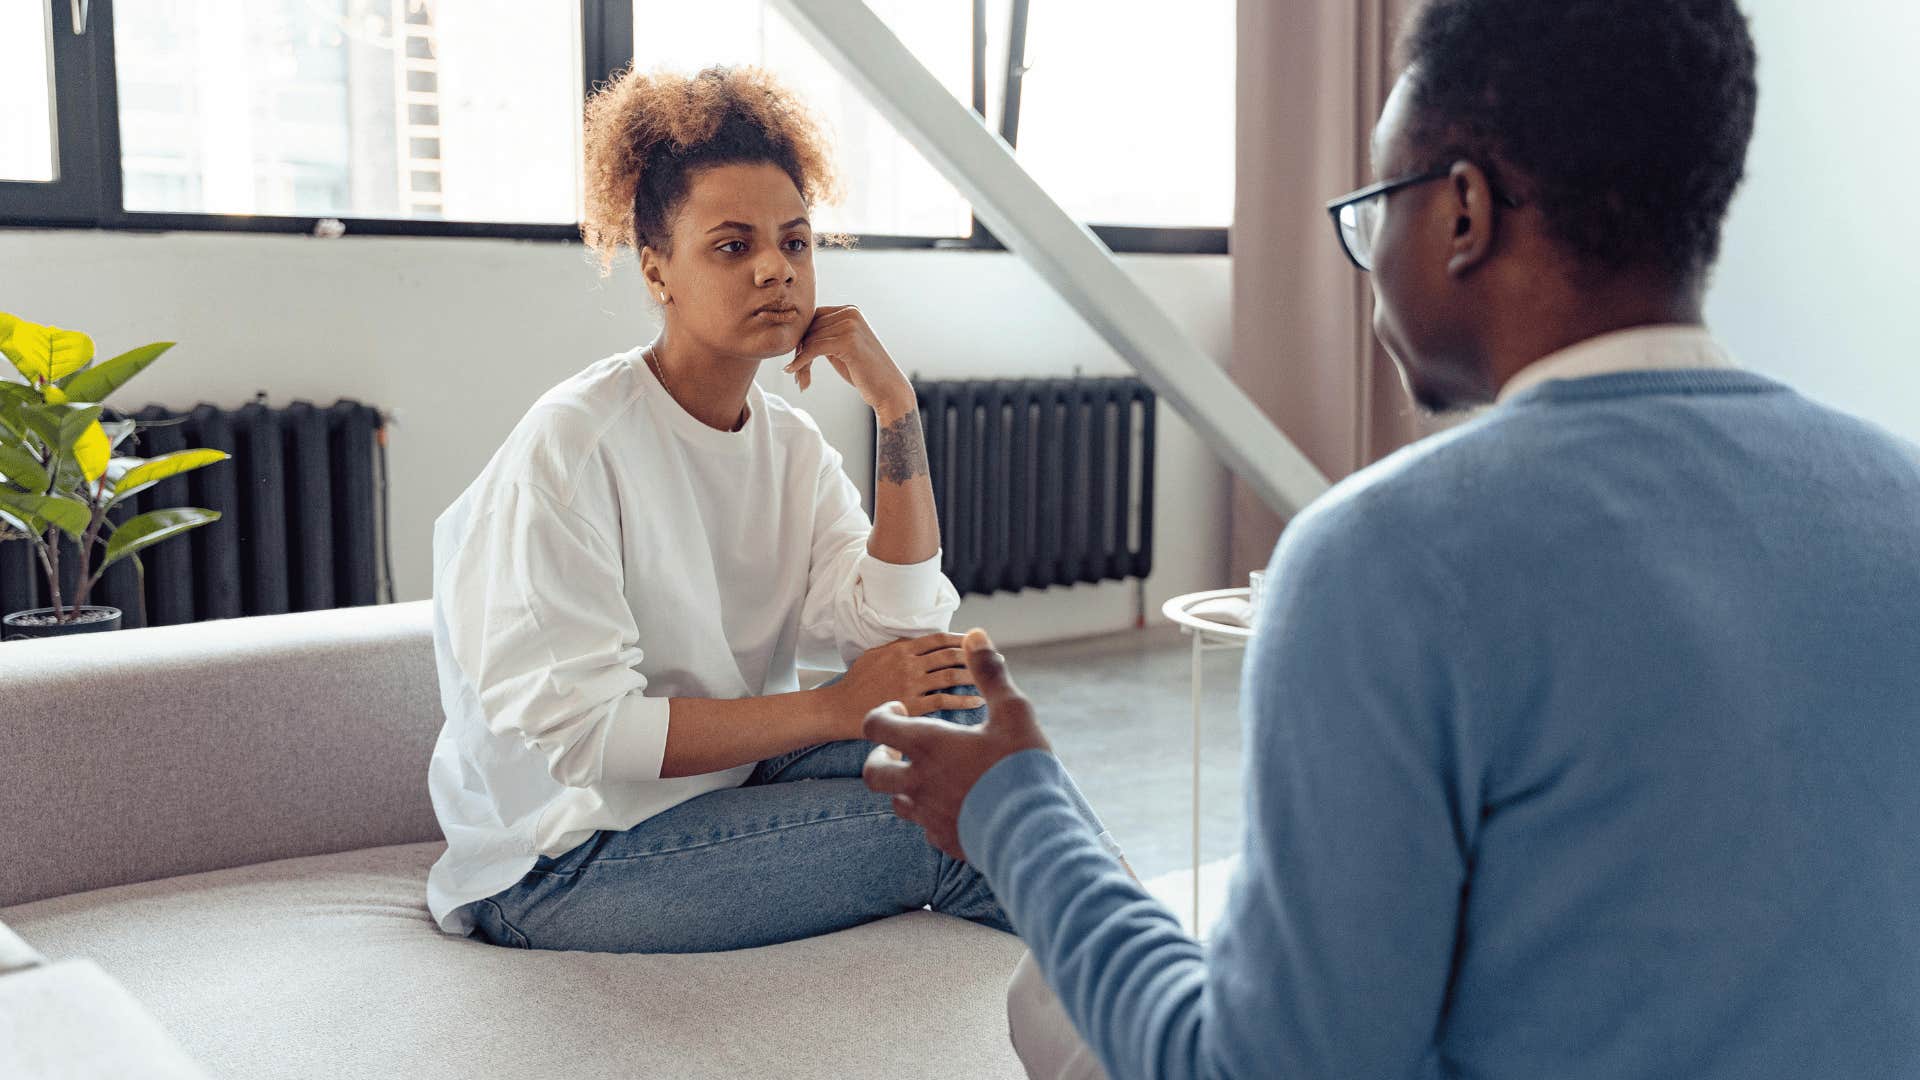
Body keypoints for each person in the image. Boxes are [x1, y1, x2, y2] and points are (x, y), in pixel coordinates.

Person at [861, 1, 1920, 1077]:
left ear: (1464, 211)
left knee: (1051, 998)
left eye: (1373, 208)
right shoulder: (1900, 493)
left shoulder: (1389, 559)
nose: (1366, 256)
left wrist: (1019, 813)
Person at [421, 65, 1113, 952]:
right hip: (562, 857)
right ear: (657, 270)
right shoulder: (574, 445)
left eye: (795, 243)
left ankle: (1182, 1001)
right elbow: (594, 738)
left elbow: (895, 631)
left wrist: (896, 410)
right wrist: (833, 709)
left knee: (984, 748)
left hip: (726, 783)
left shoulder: (786, 444)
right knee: (950, 828)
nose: (775, 272)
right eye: (732, 246)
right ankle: (1168, 1021)